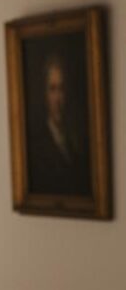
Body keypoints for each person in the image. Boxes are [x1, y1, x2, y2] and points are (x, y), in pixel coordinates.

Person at [26, 52, 91, 195]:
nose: (58, 99)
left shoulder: (75, 140)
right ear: (45, 95)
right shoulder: (38, 144)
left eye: (61, 89)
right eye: (53, 89)